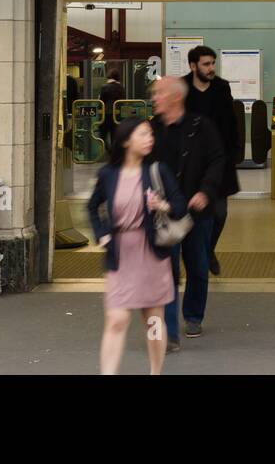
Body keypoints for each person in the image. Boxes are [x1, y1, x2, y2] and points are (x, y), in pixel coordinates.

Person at [88, 117, 187, 375]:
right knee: (116, 318)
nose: (150, 139)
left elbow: (180, 204)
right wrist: (101, 234)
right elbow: (92, 206)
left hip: (151, 254)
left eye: (151, 135)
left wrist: (161, 206)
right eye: (143, 134)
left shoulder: (157, 171)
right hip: (120, 253)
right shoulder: (108, 175)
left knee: (153, 320)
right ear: (126, 140)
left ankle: (155, 371)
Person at [150, 75, 223, 351]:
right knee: (166, 270)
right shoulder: (150, 129)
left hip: (196, 211)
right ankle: (168, 330)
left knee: (197, 265)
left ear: (175, 97)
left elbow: (217, 159)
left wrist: (206, 190)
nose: (154, 98)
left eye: (158, 93)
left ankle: (193, 316)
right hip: (164, 213)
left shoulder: (201, 127)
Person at [183, 46, 240, 276]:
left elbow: (231, 122)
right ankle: (196, 255)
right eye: (206, 64)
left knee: (219, 213)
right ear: (193, 65)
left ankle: (208, 250)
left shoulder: (221, 87)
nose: (211, 68)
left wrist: (233, 153)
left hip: (218, 161)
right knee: (189, 214)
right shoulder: (182, 88)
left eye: (212, 63)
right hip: (189, 163)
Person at [99, 69, 126, 147]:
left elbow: (101, 101)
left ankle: (109, 150)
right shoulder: (121, 87)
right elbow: (123, 101)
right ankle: (114, 153)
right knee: (114, 135)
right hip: (118, 114)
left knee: (103, 135)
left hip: (106, 114)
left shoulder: (105, 87)